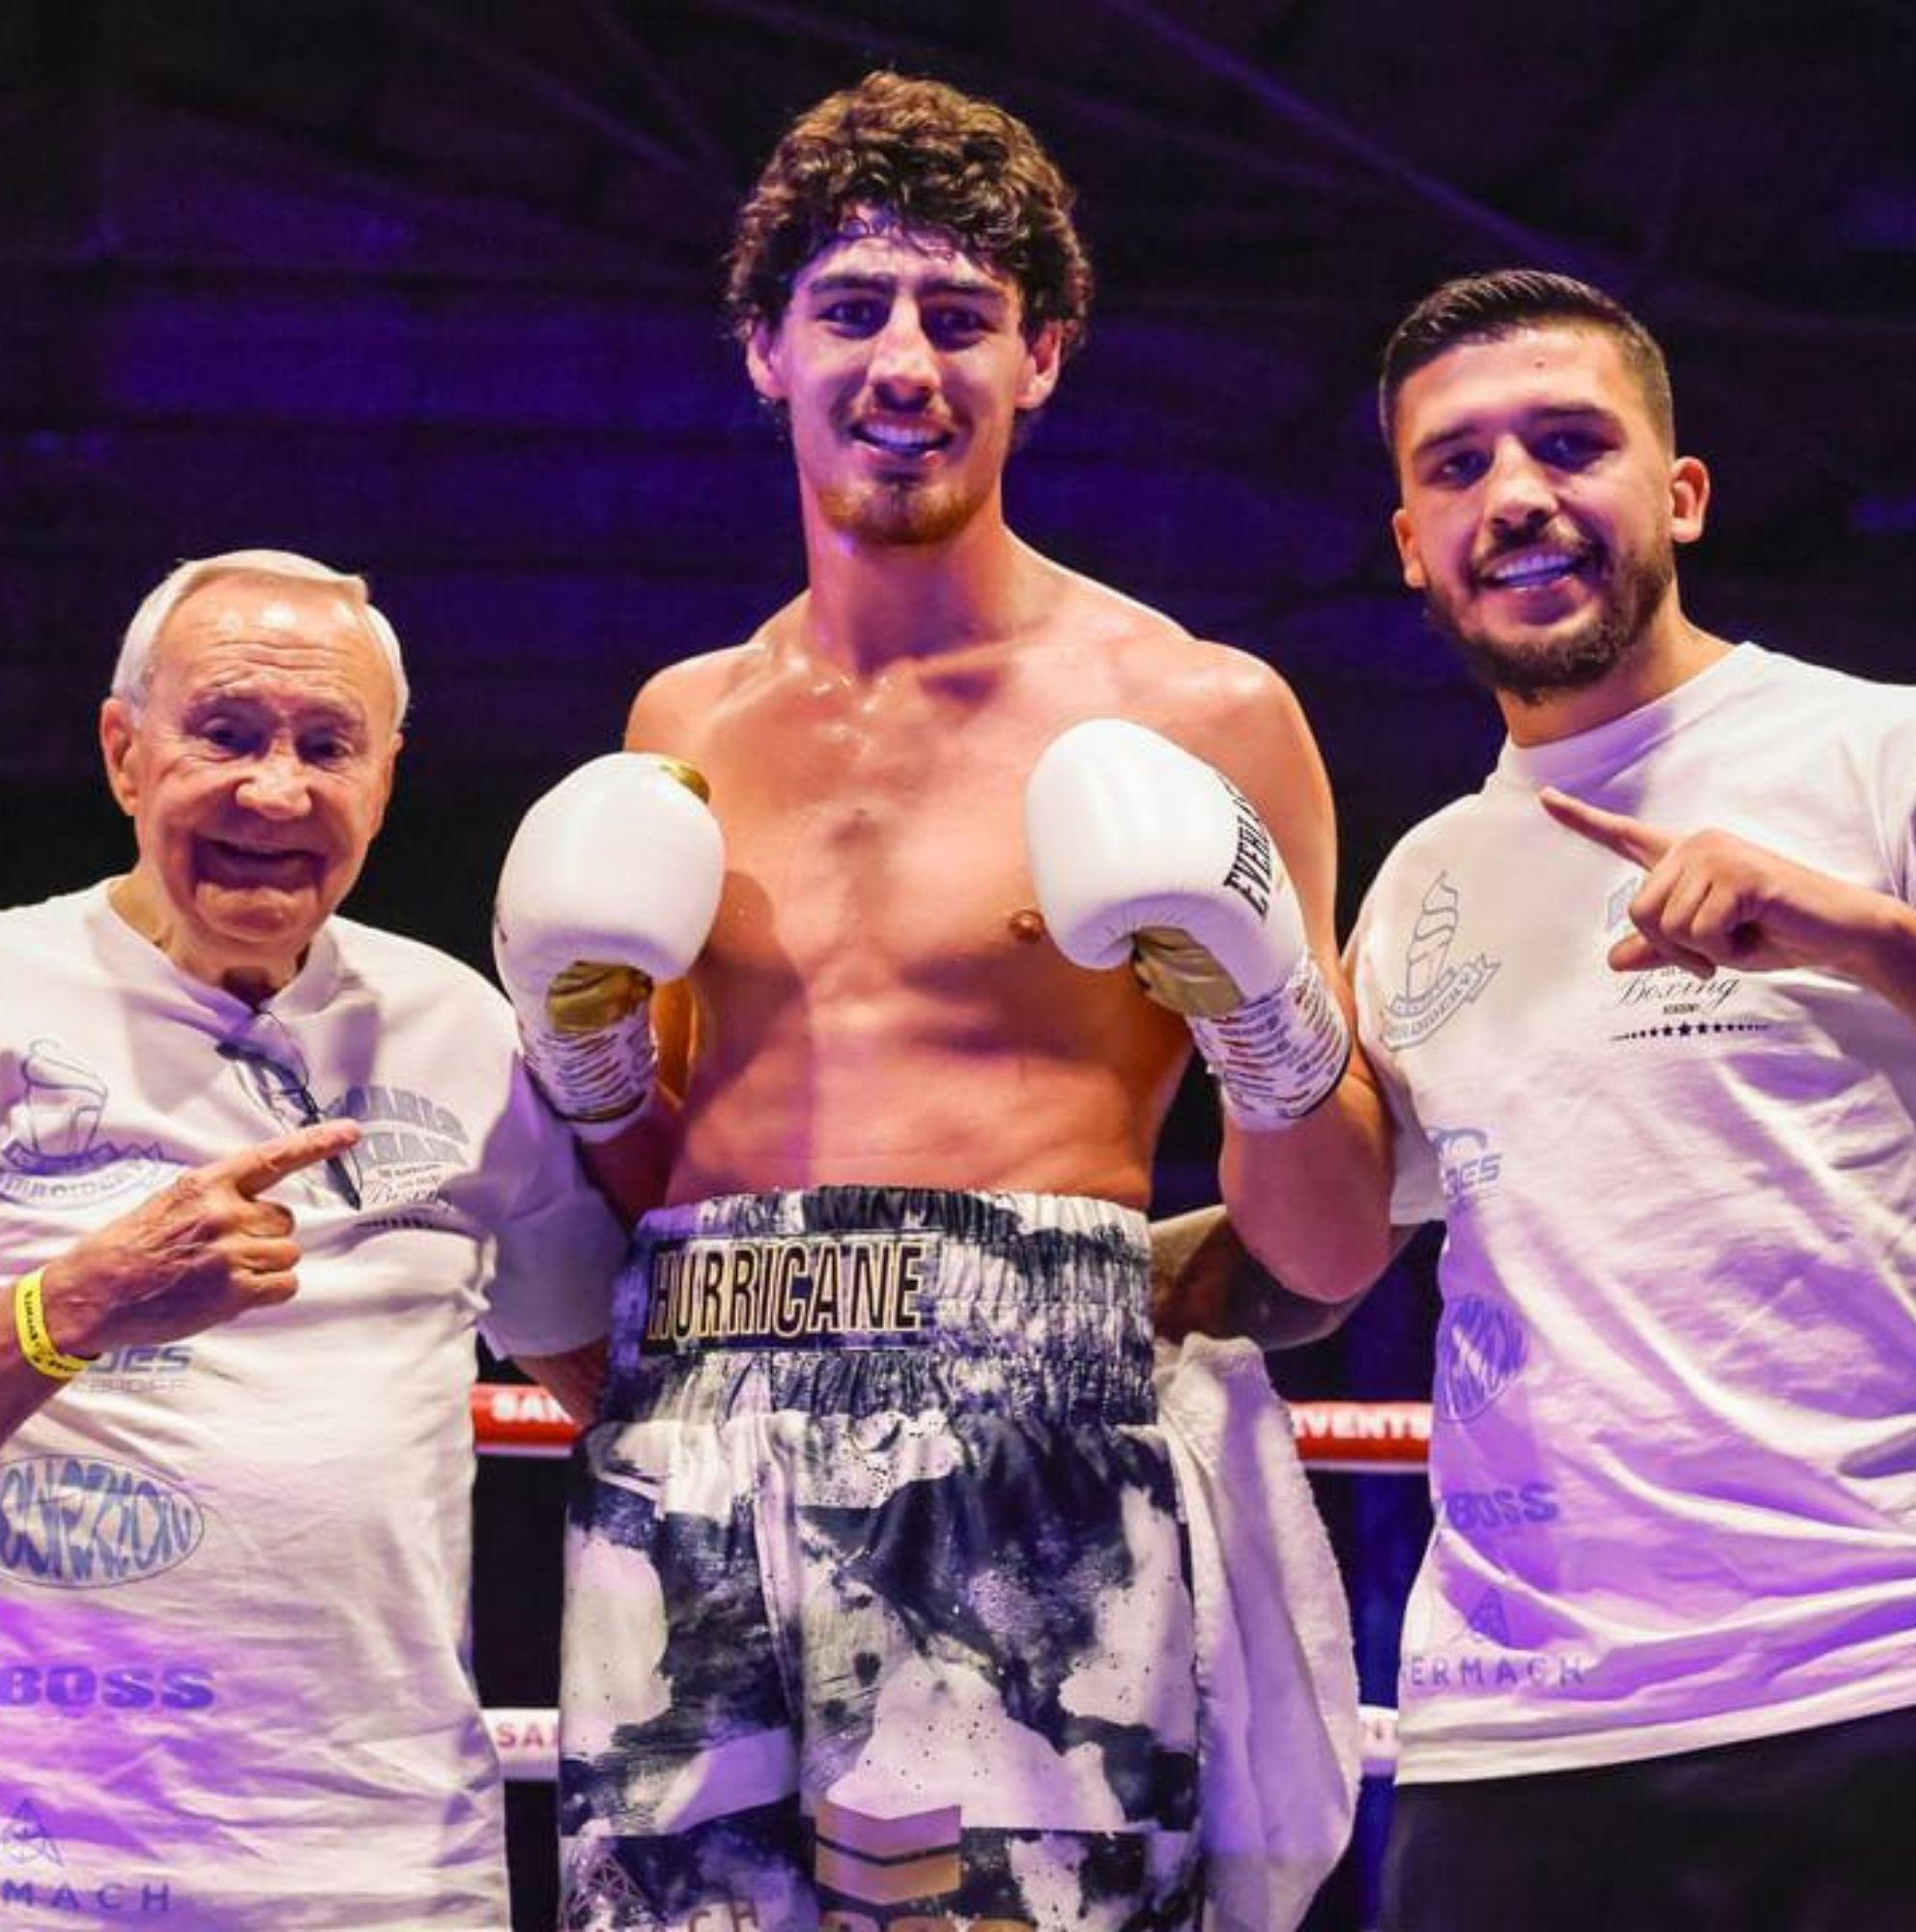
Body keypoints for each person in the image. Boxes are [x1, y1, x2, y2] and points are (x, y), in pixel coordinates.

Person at [490, 70, 1384, 1932]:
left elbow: (1334, 1248)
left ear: (1042, 358)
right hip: (697, 1414)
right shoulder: (682, 726)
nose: (905, 361)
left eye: (961, 317)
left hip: (1030, 1422)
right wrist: (585, 1070)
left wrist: (1264, 1016)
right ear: (764, 350)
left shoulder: (1199, 712)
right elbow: (665, 1161)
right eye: (852, 309)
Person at [1341, 269, 1916, 1929]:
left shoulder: (1886, 754)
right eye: (1456, 468)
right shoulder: (1421, 882)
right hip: (1516, 1732)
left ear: (1678, 493)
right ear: (1410, 542)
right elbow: (1329, 1246)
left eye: (1568, 444)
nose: (1515, 494)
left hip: (1878, 1670)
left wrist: (1856, 932)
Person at [0, 550, 624, 1930]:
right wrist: (72, 1307)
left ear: (384, 780)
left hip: (392, 1869)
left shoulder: (459, 1025)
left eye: (325, 746)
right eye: (224, 733)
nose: (274, 790)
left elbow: (626, 1394)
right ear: (123, 752)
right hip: (47, 1865)